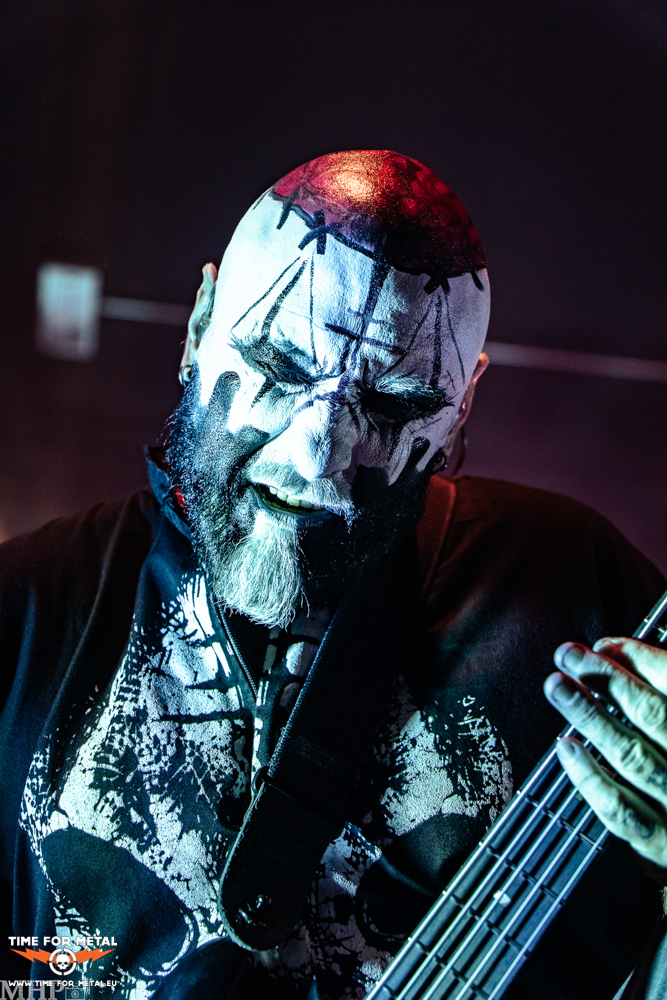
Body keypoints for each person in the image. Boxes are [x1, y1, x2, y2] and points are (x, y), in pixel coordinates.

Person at [0, 149, 665, 1000]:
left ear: (463, 403)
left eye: (394, 404)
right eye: (279, 368)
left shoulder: (576, 588)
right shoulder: (25, 611)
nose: (316, 457)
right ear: (200, 325)